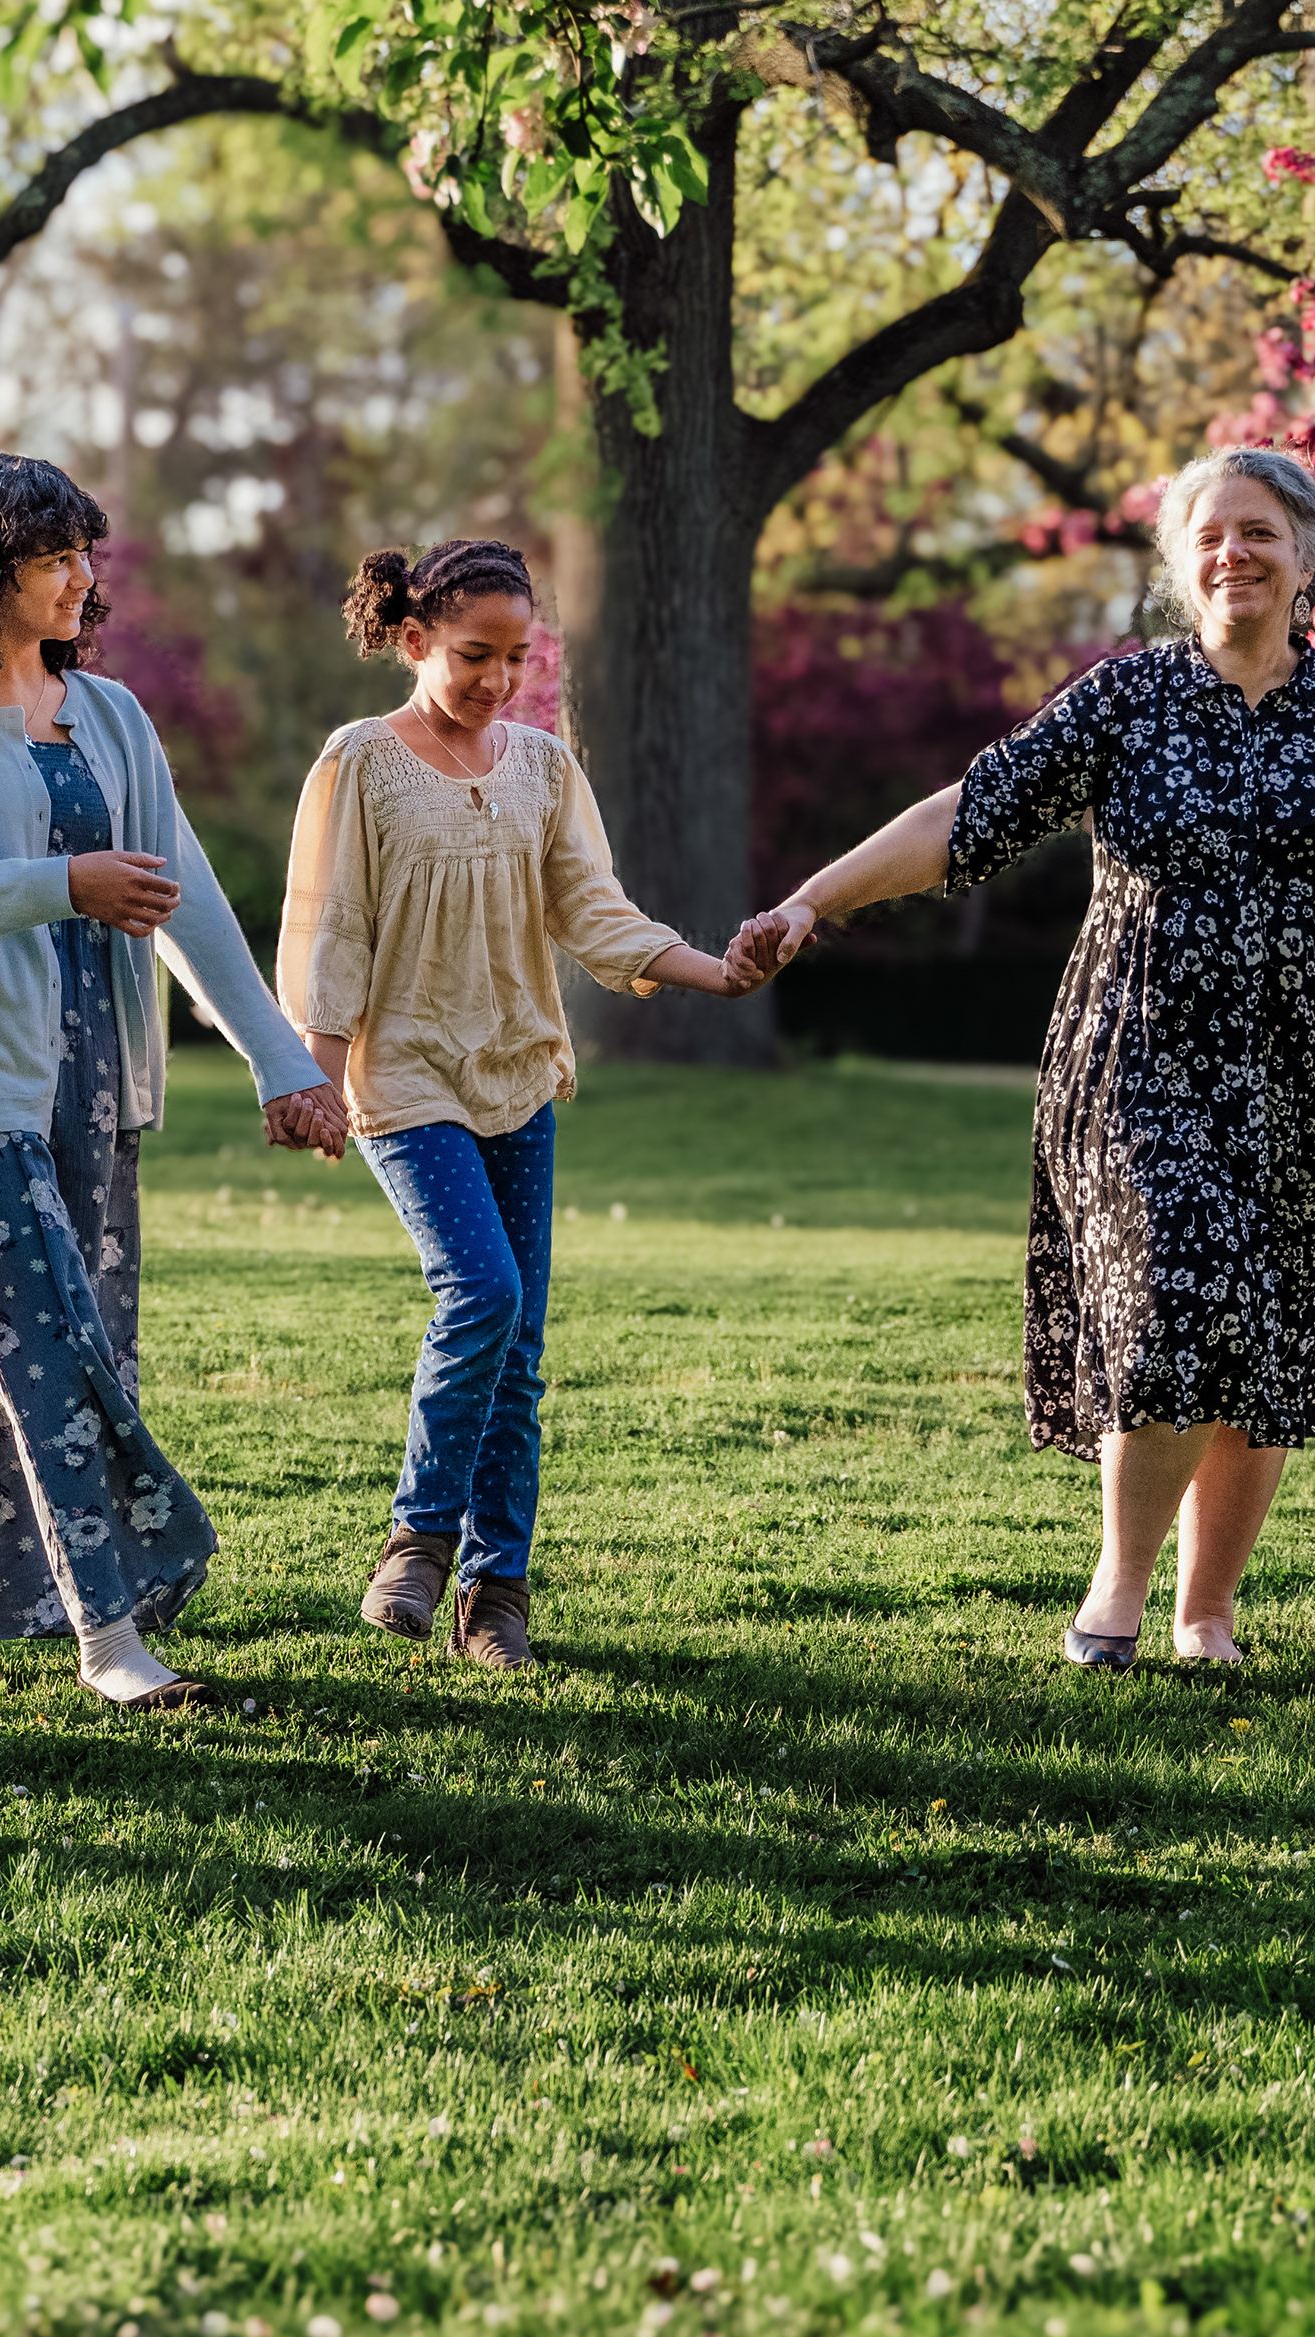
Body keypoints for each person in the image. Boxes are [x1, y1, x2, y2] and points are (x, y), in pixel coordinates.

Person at [736, 448, 1315, 1670]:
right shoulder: (1127, 699)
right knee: (1178, 1300)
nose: (1234, 554)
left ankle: (1208, 1611)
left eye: (1260, 532)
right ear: (1180, 566)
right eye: (1210, 535)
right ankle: (1120, 1583)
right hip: (1145, 1062)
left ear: (1310, 558)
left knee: (1265, 1332)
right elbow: (970, 812)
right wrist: (811, 901)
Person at [0, 455, 351, 1707]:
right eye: (54, 557)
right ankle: (111, 1638)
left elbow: (186, 901)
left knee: (60, 1359)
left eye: (87, 553)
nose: (83, 577)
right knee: (40, 1357)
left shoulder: (113, 713)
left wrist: (281, 1065)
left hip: (99, 1082)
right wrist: (61, 886)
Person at [276, 539, 767, 1670]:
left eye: (517, 656)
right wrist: (315, 1075)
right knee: (482, 1290)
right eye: (473, 655)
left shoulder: (544, 767)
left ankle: (498, 1594)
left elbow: (595, 911)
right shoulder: (361, 761)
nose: (498, 678)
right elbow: (332, 927)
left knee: (521, 1344)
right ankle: (417, 1539)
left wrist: (715, 972)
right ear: (413, 641)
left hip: (517, 1070)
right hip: (405, 1075)